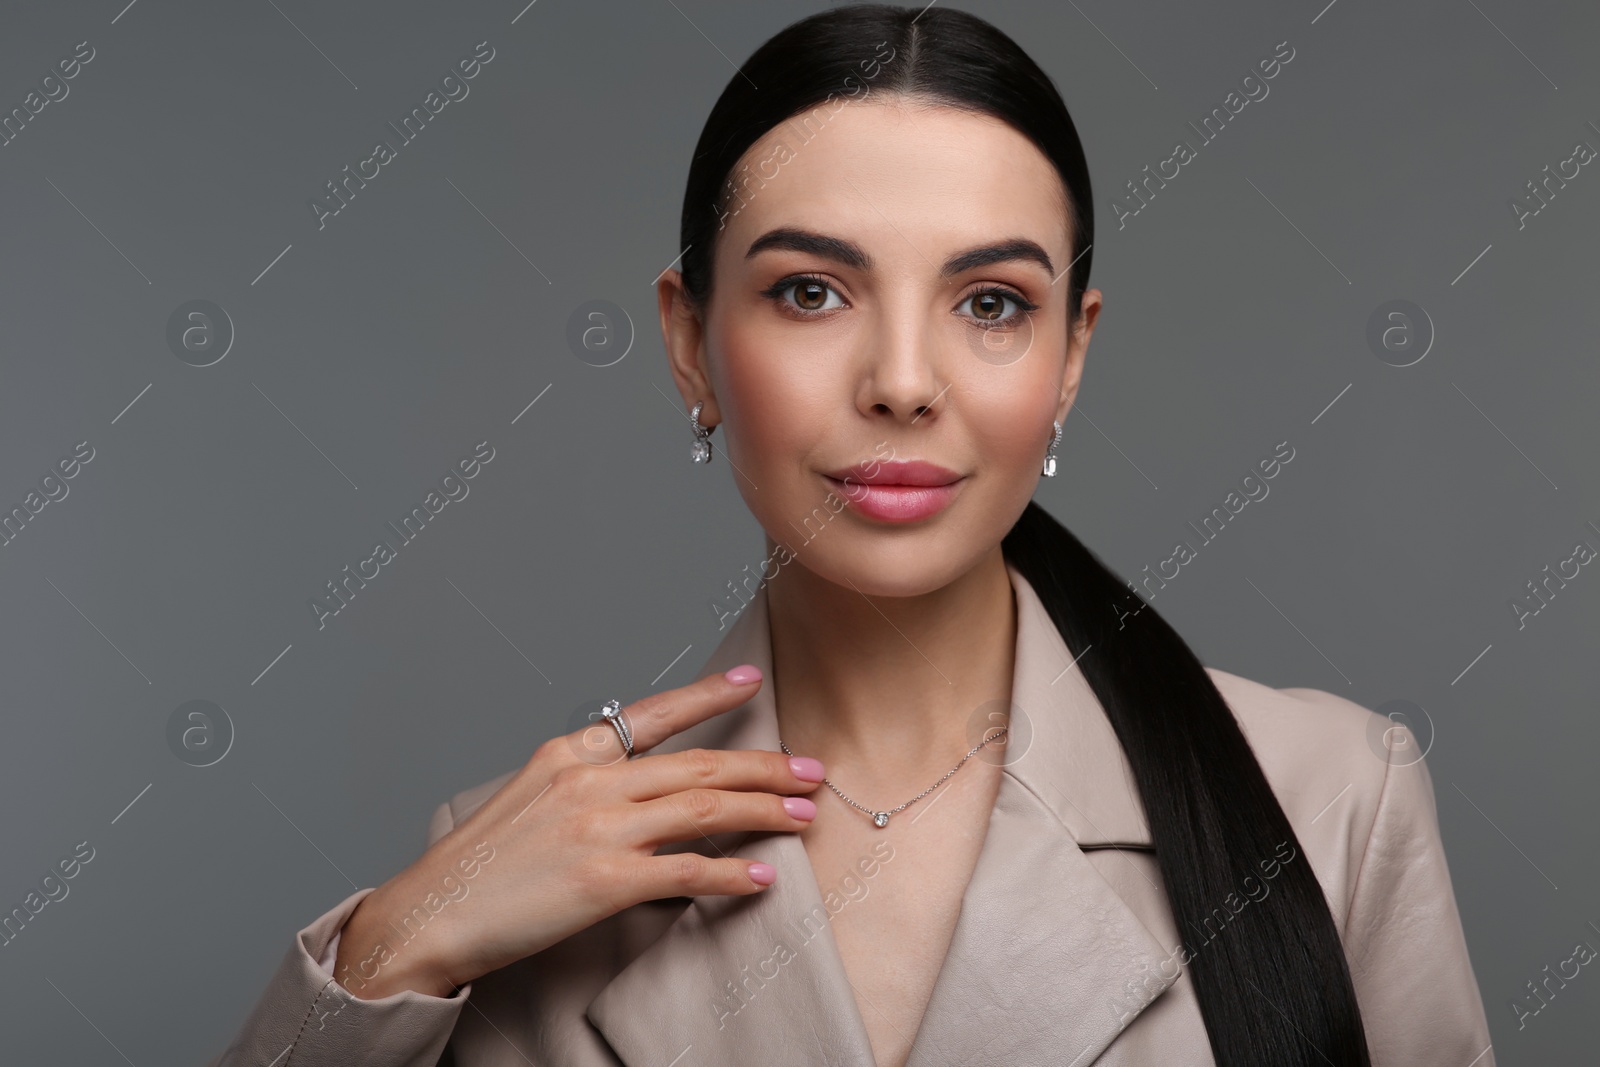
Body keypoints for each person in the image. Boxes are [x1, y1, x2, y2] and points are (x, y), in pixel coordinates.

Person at [208, 6, 1495, 1065]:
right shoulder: (521, 854)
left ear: (1069, 358)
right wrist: (386, 954)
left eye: (990, 301)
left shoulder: (1331, 796)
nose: (901, 378)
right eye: (810, 291)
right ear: (687, 342)